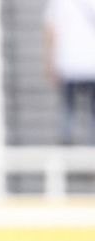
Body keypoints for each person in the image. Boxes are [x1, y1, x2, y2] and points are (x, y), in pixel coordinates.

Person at [44, 0, 95, 145]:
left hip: (68, 61)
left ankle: (66, 148)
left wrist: (50, 62)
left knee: (68, 110)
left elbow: (51, 30)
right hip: (89, 61)